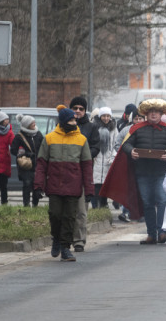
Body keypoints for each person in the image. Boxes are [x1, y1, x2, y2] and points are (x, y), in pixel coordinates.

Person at [35, 107, 94, 262]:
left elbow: (87, 166)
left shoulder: (81, 140)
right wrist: (38, 185)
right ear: (62, 121)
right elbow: (41, 164)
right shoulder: (49, 139)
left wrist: (89, 189)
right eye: (71, 120)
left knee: (69, 218)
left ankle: (65, 248)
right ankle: (56, 238)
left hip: (73, 187)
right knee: (54, 215)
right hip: (54, 185)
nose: (74, 123)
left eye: (75, 120)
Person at [120, 99, 166, 245]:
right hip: (143, 172)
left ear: (161, 114)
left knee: (162, 200)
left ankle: (162, 232)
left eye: (156, 112)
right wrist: (131, 151)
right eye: (151, 112)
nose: (153, 114)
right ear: (146, 114)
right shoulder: (137, 129)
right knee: (147, 203)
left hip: (162, 172)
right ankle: (151, 234)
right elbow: (125, 144)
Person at [68, 96, 100, 252]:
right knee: (67, 210)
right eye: (75, 108)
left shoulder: (91, 127)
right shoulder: (63, 126)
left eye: (81, 108)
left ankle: (79, 240)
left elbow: (96, 147)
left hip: (83, 171)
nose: (78, 111)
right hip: (66, 172)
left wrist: (85, 155)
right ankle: (65, 239)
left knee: (81, 210)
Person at [11, 114, 44, 207]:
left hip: (38, 165)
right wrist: (24, 154)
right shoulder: (19, 136)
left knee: (37, 186)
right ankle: (26, 205)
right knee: (27, 184)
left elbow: (43, 146)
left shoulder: (38, 134)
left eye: (34, 122)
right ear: (26, 125)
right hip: (26, 166)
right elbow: (13, 150)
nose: (34, 123)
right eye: (31, 122)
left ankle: (35, 205)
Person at [91, 107, 118, 208]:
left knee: (105, 185)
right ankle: (95, 206)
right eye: (104, 116)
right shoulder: (94, 127)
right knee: (96, 184)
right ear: (100, 116)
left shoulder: (114, 128)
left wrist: (113, 157)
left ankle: (103, 205)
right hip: (97, 159)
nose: (106, 118)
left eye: (108, 116)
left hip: (108, 160)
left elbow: (116, 143)